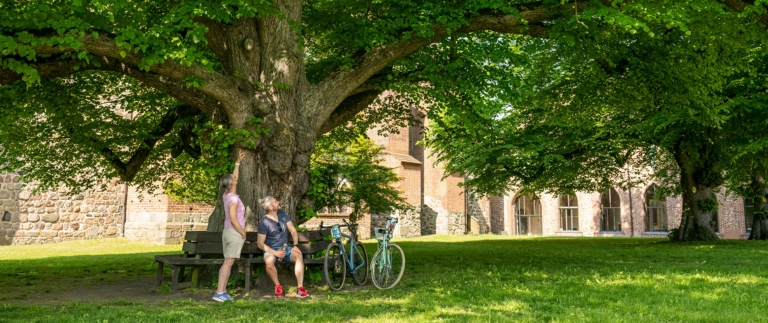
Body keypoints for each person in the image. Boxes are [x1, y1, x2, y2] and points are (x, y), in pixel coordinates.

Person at [257, 196, 309, 298]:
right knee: (269, 261)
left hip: (286, 248)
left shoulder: (283, 215)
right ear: (271, 207)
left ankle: (300, 289)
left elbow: (293, 231)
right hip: (271, 250)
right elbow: (260, 243)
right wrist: (275, 252)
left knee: (298, 255)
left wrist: (295, 245)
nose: (278, 202)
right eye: (276, 201)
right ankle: (278, 287)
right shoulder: (264, 222)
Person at [212, 150, 246, 302]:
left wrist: (237, 162)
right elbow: (233, 219)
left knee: (228, 262)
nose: (235, 179)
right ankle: (219, 292)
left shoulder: (227, 194)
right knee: (228, 262)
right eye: (234, 179)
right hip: (234, 232)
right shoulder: (232, 199)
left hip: (228, 232)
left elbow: (235, 177)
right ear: (232, 184)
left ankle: (223, 291)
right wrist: (242, 233)